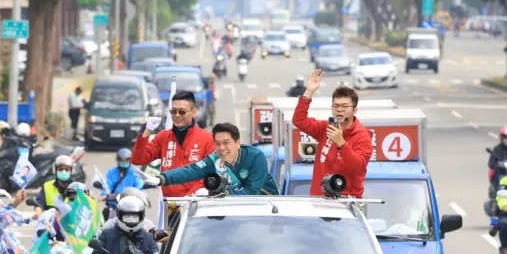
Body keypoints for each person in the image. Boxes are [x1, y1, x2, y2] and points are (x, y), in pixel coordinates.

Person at [292, 70, 373, 198]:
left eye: (344, 106)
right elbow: (299, 121)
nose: (339, 110)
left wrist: (341, 143)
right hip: (319, 200)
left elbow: (358, 168)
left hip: (347, 202)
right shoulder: (325, 128)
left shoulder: (362, 136)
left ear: (354, 110)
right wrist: (309, 91)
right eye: (336, 106)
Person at [147, 123, 278, 195]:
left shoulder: (255, 157)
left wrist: (223, 193)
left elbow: (252, 192)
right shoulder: (214, 159)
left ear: (238, 143)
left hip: (263, 208)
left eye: (226, 143)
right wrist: (162, 178)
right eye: (217, 143)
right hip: (232, 208)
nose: (221, 148)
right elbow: (190, 171)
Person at [130, 91, 215, 197]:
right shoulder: (163, 137)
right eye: (173, 111)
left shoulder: (207, 139)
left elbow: (210, 173)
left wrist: (189, 197)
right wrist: (146, 132)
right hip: (169, 204)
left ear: (194, 112)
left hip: (194, 203)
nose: (177, 115)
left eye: (182, 112)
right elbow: (138, 160)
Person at [102, 148, 147, 219]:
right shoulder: (111, 172)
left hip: (132, 207)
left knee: (144, 226)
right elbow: (107, 185)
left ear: (130, 160)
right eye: (121, 160)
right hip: (115, 206)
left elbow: (139, 186)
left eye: (126, 160)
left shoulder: (136, 173)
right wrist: (105, 195)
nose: (124, 162)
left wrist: (141, 195)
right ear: (117, 160)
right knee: (106, 226)